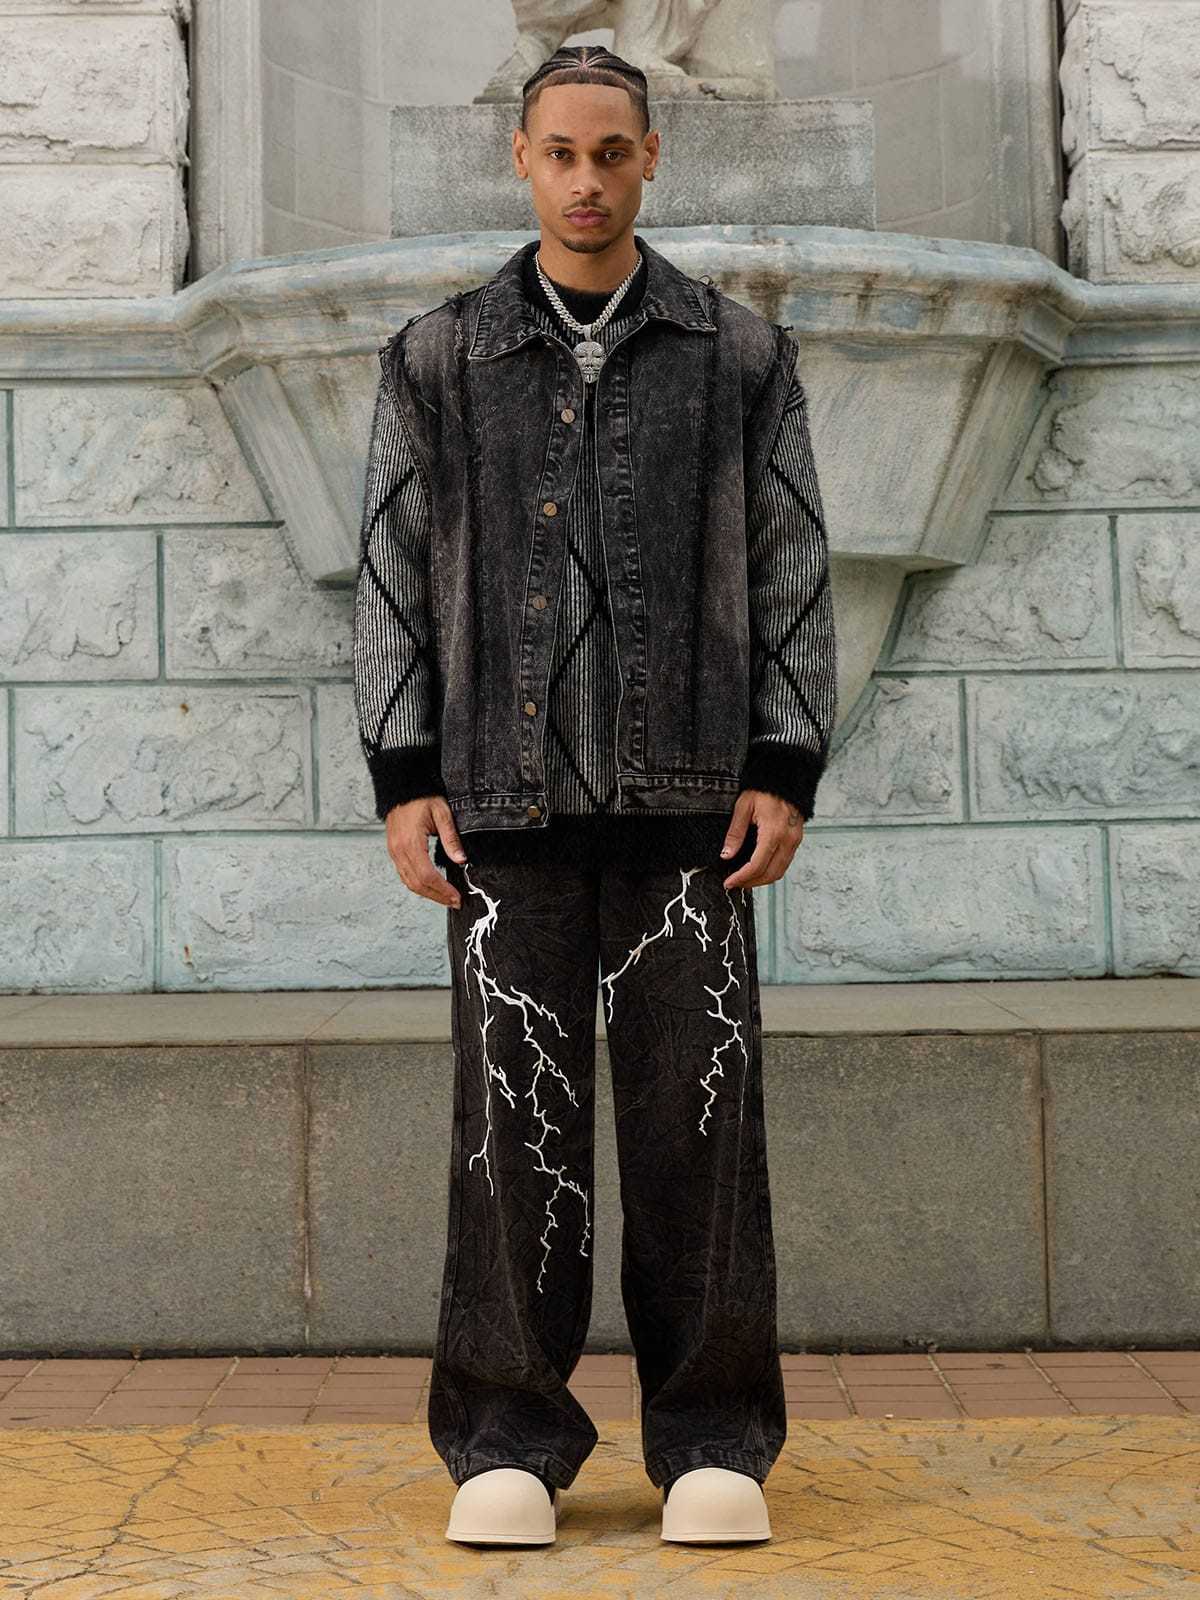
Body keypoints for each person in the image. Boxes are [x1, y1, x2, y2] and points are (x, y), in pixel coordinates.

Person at [352, 42, 838, 1548]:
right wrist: (404, 777)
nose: (585, 181)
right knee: (511, 1136)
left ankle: (713, 1441)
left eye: (611, 153)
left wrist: (783, 764)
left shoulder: (737, 354)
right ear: (521, 158)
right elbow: (389, 576)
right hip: (499, 815)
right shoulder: (439, 358)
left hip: (693, 811)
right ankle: (507, 1438)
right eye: (560, 154)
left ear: (649, 158)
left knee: (702, 1128)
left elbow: (792, 568)